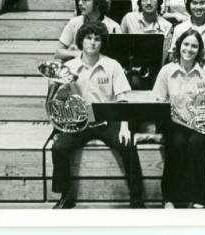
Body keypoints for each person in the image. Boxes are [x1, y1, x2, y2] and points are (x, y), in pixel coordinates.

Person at [50, 22, 144, 209]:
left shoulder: (112, 65)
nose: (92, 43)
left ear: (102, 43)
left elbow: (123, 99)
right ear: (81, 41)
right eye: (88, 38)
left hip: (108, 121)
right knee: (59, 148)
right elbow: (60, 100)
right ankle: (65, 195)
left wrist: (125, 127)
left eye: (97, 39)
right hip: (79, 122)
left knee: (128, 145)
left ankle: (136, 198)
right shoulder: (69, 67)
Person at [154, 30, 205, 208]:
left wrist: (204, 120)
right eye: (186, 44)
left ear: (199, 49)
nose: (189, 49)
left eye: (194, 46)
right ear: (179, 46)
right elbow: (158, 101)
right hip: (174, 123)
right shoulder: (166, 71)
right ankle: (169, 199)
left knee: (194, 145)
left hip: (203, 124)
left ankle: (199, 199)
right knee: (176, 144)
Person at [57, 0, 122, 61]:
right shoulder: (74, 22)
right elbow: (58, 52)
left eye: (85, 0)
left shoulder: (114, 27)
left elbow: (119, 57)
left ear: (98, 3)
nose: (80, 3)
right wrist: (77, 54)